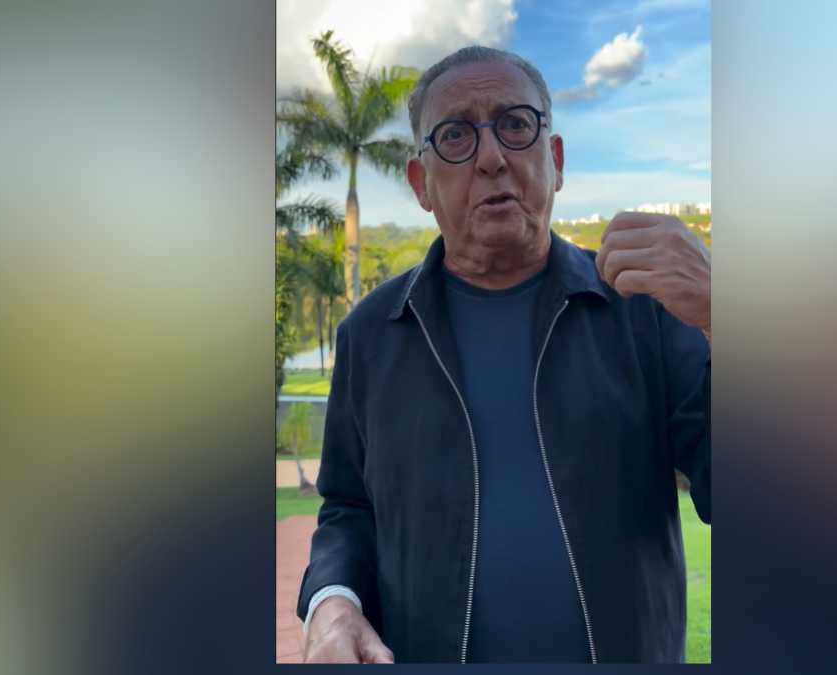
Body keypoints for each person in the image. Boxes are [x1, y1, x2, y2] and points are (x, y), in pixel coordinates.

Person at [296, 45, 711, 664]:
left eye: (516, 124)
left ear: (556, 161)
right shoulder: (372, 334)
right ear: (421, 184)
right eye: (456, 135)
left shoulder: (644, 311)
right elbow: (348, 507)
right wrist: (333, 602)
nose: (492, 158)